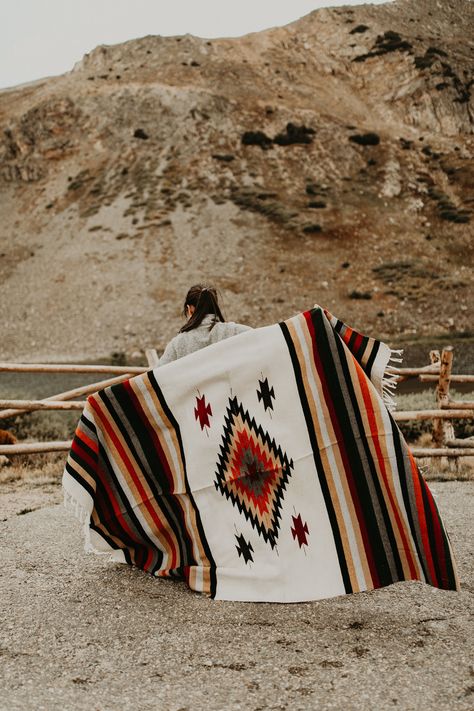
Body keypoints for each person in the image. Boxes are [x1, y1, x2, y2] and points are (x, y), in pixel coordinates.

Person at [158, 284, 252, 366]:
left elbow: (157, 376)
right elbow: (261, 339)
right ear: (214, 306)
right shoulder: (234, 331)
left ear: (189, 308)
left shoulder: (178, 343)